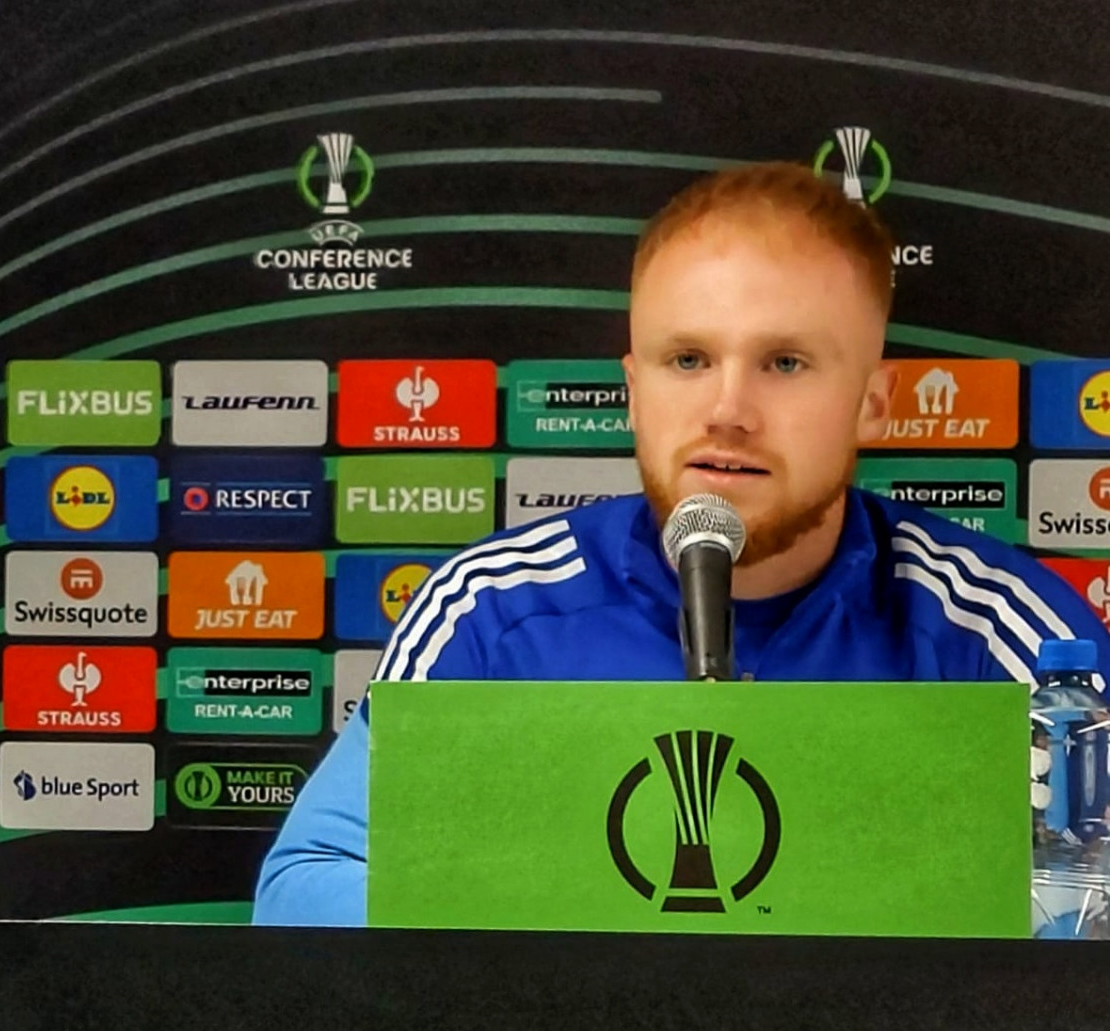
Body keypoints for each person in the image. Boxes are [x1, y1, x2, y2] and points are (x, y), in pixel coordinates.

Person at [255, 160, 1110, 927]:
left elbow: (1088, 916)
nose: (727, 411)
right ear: (633, 391)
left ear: (873, 404)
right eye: (689, 360)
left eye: (785, 363)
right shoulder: (492, 613)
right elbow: (304, 887)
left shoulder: (1005, 636)